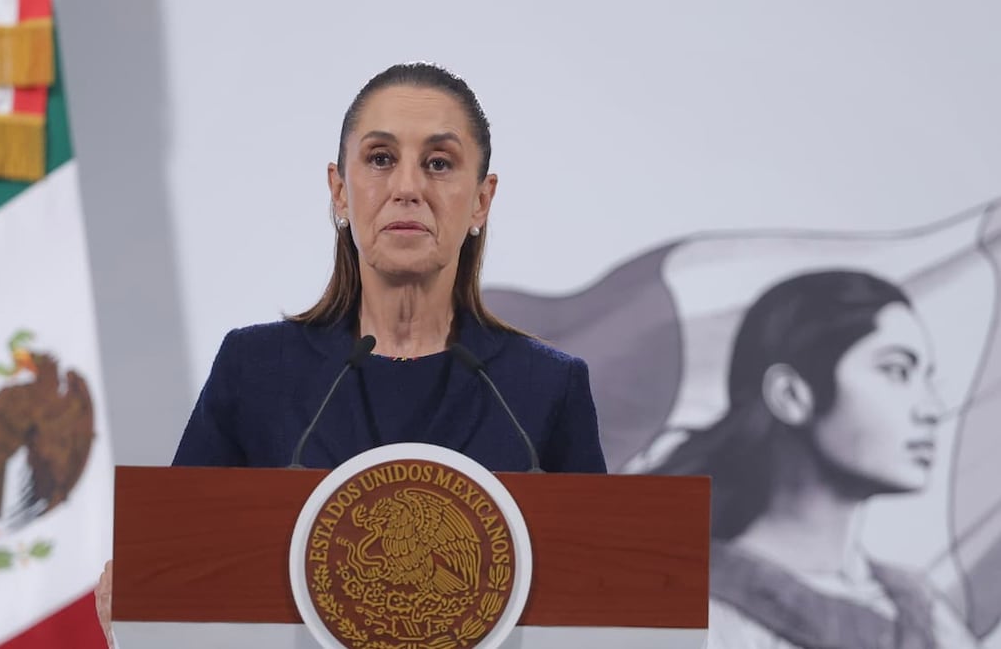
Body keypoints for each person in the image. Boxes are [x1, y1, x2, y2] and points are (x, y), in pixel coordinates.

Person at [94, 62, 606, 646]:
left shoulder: (545, 389)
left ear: (481, 201)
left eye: (439, 163)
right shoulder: (255, 370)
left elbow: (608, 604)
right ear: (340, 190)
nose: (407, 187)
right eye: (381, 158)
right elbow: (178, 583)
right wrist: (139, 619)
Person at [643, 270, 979, 648]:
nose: (932, 409)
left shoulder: (923, 611)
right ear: (791, 395)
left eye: (927, 378)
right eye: (896, 371)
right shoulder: (689, 612)